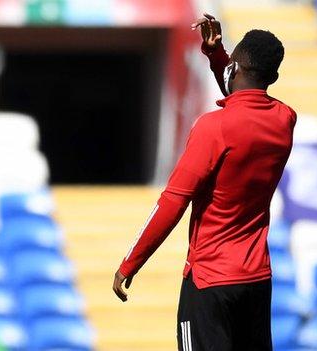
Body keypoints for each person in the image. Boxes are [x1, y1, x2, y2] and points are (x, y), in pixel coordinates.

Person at [112, 13, 296, 351]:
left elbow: (173, 202)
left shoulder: (213, 128)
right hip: (256, 280)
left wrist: (130, 262)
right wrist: (218, 55)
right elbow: (246, 98)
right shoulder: (285, 120)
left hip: (209, 281)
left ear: (236, 69)